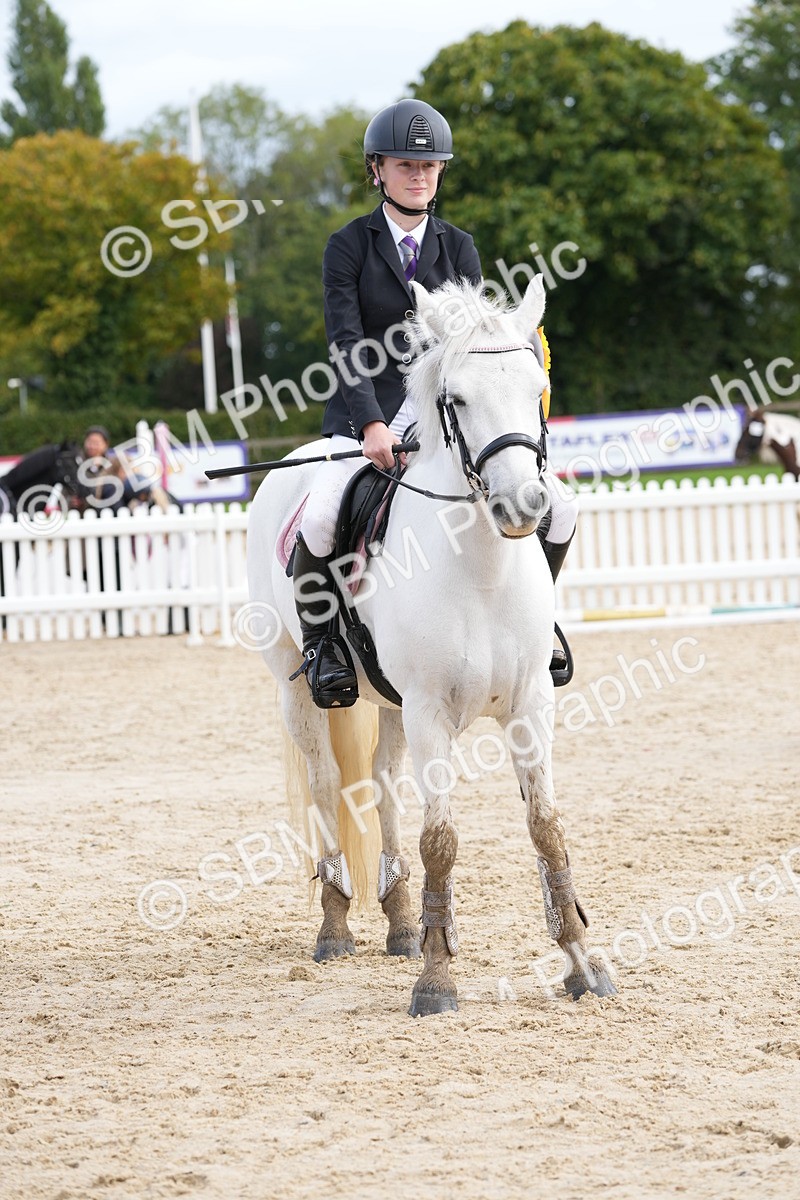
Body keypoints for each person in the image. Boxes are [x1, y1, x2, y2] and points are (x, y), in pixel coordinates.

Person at [292, 98, 577, 708]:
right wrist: (369, 422)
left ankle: (539, 626)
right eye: (404, 165)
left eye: (430, 166)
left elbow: (472, 342)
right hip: (362, 419)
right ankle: (326, 647)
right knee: (319, 517)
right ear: (378, 171)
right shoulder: (347, 247)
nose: (419, 176)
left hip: (447, 418)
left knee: (562, 507)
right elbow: (345, 343)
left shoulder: (459, 246)